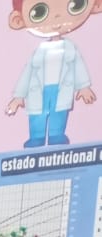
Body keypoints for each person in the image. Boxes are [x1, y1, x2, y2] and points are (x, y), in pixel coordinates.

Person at [7, 0, 101, 150]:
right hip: (39, 91)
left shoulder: (69, 48)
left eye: (75, 5)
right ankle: (36, 137)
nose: (57, 17)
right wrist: (18, 96)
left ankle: (56, 135)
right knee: (37, 115)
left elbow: (78, 66)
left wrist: (84, 87)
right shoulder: (39, 51)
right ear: (18, 20)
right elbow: (27, 73)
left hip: (61, 89)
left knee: (59, 113)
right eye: (39, 12)